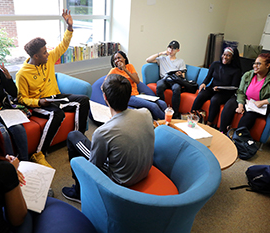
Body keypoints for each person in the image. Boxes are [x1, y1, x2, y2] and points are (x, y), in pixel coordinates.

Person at [62, 74, 155, 203]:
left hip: (121, 180)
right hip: (144, 171)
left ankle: (79, 192)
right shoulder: (145, 113)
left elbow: (94, 168)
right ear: (129, 95)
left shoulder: (102, 132)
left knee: (73, 136)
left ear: (105, 97)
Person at [16, 9, 90, 168]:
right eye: (44, 52)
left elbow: (63, 46)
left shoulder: (47, 60)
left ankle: (78, 141)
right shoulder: (22, 74)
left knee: (83, 101)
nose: (48, 54)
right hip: (38, 105)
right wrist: (38, 102)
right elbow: (21, 98)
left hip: (55, 97)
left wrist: (69, 27)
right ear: (35, 56)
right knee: (57, 114)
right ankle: (38, 153)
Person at [219, 53, 270, 134]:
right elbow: (240, 91)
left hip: (258, 105)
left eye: (259, 64)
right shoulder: (248, 74)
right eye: (255, 63)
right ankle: (222, 131)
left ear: (267, 65)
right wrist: (240, 105)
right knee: (229, 105)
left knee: (249, 116)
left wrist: (263, 102)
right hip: (246, 100)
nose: (255, 66)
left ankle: (237, 137)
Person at [107, 51, 167, 120]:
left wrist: (124, 69)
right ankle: (167, 122)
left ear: (124, 59)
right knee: (153, 106)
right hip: (128, 96)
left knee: (162, 103)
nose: (117, 60)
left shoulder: (130, 67)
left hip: (137, 95)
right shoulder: (113, 71)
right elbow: (104, 85)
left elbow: (137, 81)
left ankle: (171, 120)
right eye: (115, 59)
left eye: (119, 58)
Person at [191, 47, 242, 127]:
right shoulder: (215, 64)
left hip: (225, 93)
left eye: (228, 56)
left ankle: (209, 123)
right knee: (201, 94)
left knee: (214, 100)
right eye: (224, 54)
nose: (225, 57)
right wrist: (204, 83)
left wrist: (220, 88)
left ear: (232, 58)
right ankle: (191, 116)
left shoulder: (236, 70)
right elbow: (208, 77)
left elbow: (234, 87)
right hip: (213, 88)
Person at [146, 40, 186, 119]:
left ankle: (175, 114)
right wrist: (161, 53)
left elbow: (183, 76)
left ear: (178, 50)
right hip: (164, 79)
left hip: (174, 80)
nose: (171, 50)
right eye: (170, 48)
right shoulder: (162, 59)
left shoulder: (180, 61)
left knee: (177, 88)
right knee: (159, 86)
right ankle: (161, 109)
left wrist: (180, 74)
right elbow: (148, 60)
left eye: (173, 49)